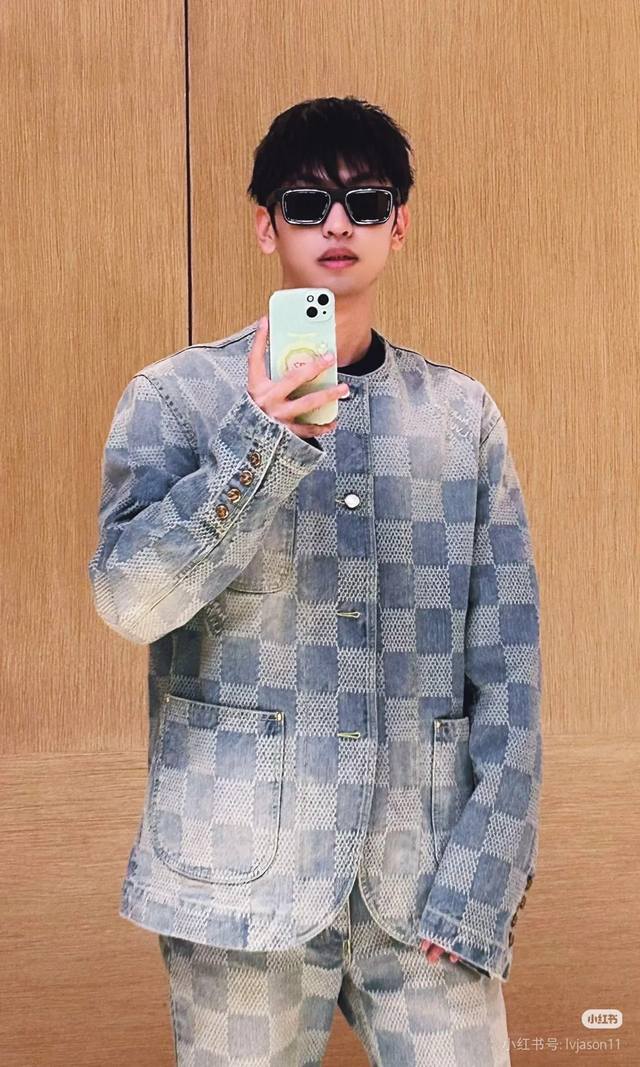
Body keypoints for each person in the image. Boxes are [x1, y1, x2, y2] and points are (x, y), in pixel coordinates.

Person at [88, 95, 542, 1066]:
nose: (338, 224)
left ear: (398, 225)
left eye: (365, 202)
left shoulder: (460, 418)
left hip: (426, 887)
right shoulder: (175, 400)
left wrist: (485, 877)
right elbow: (130, 599)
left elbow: (510, 673)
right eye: (307, 203)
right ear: (266, 225)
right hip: (236, 884)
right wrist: (260, 444)